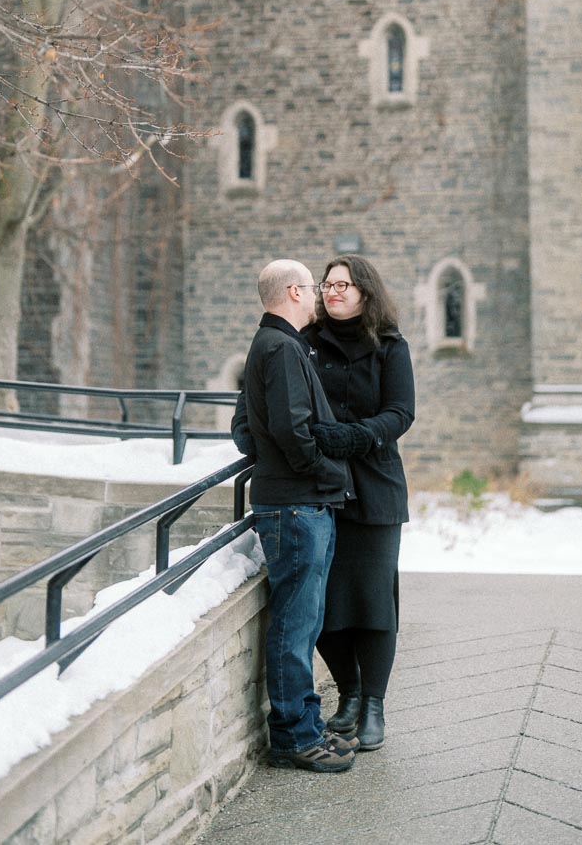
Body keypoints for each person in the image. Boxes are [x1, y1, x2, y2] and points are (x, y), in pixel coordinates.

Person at [231, 258, 358, 773]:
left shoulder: (274, 345)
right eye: (311, 287)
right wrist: (321, 474)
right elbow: (290, 428)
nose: (319, 295)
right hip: (297, 503)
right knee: (294, 622)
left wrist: (280, 463)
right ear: (292, 293)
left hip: (296, 499)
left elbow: (245, 427)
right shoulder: (281, 347)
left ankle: (304, 723)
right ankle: (292, 737)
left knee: (304, 621)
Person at [304, 254, 415, 752]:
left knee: (373, 600)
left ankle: (373, 703)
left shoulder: (391, 346)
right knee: (325, 602)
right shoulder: (305, 344)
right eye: (327, 284)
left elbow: (401, 412)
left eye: (343, 285)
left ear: (364, 292)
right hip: (320, 486)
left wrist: (354, 437)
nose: (333, 291)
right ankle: (347, 694)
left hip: (375, 483)